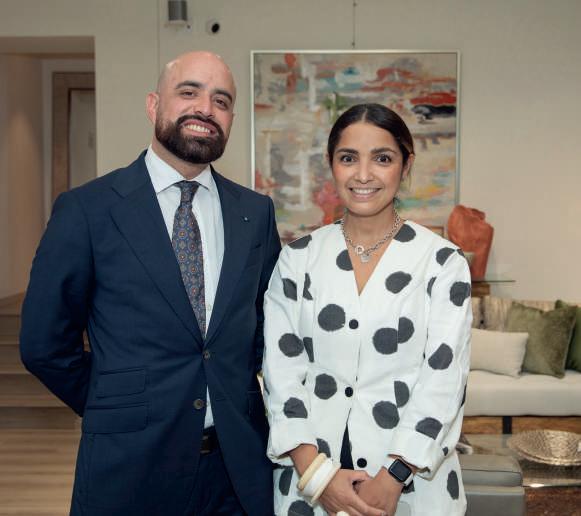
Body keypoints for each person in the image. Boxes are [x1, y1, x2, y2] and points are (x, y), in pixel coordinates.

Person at [20, 51, 280, 516]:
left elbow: (265, 329)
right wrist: (114, 406)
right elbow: (44, 345)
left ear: (231, 119)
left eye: (221, 100)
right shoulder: (88, 210)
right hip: (129, 469)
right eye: (189, 92)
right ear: (153, 105)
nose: (205, 108)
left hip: (237, 472)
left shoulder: (255, 213)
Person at [262, 103, 471, 516]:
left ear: (406, 165)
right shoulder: (297, 259)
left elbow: (444, 380)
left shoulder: (442, 263)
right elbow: (280, 376)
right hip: (311, 482)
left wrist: (393, 478)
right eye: (348, 158)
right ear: (331, 165)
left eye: (382, 159)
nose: (363, 175)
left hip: (410, 487)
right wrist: (319, 479)